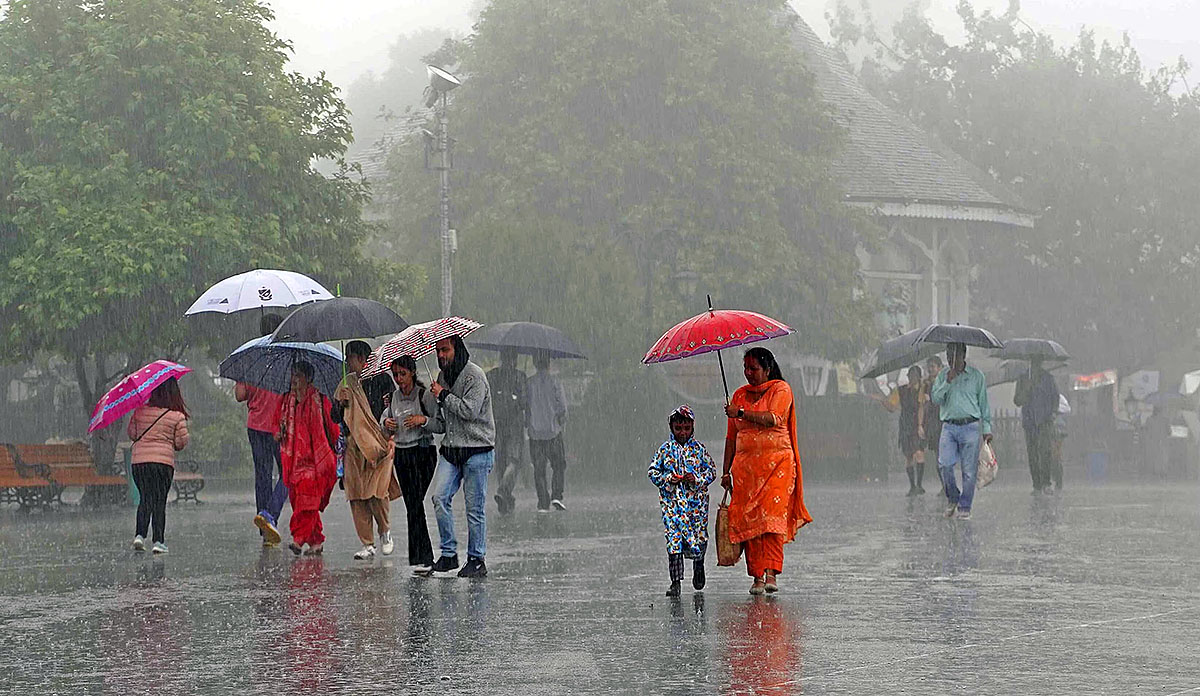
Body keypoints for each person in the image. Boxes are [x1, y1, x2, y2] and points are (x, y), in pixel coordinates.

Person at [720, 347, 812, 595]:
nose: (749, 373)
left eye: (754, 368)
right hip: (746, 471)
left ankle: (771, 573)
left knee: (771, 520)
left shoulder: (781, 389)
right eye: (746, 368)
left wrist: (739, 412)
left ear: (767, 369)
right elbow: (731, 438)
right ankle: (757, 577)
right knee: (750, 521)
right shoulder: (738, 394)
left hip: (777, 467)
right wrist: (725, 471)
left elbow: (773, 419)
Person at [422, 335, 495, 579]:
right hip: (451, 451)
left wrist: (444, 396)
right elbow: (443, 424)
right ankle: (449, 553)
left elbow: (468, 411)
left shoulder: (474, 376)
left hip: (477, 450)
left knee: (474, 509)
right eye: (438, 351)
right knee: (439, 497)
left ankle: (476, 559)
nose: (441, 356)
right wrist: (424, 421)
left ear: (457, 349)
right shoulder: (442, 378)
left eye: (445, 350)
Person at [334, 340, 401, 561]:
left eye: (351, 357)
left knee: (377, 491)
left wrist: (391, 434)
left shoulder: (382, 380)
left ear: (362, 358)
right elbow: (336, 418)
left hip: (379, 445)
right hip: (354, 447)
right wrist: (340, 404)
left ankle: (385, 532)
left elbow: (393, 411)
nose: (347, 362)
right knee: (356, 494)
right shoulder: (346, 384)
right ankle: (367, 543)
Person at [381, 354, 444, 572]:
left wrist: (422, 420)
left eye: (403, 374)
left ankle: (424, 557)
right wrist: (387, 424)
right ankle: (420, 558)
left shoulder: (424, 395)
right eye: (396, 374)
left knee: (416, 503)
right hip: (403, 455)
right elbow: (384, 424)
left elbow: (440, 424)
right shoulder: (392, 399)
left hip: (423, 453)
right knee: (412, 505)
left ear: (413, 373)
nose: (399, 379)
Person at [648, 405, 716, 597]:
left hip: (697, 507)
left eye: (686, 428)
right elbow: (652, 472)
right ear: (671, 427)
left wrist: (696, 479)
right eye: (678, 428)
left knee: (699, 537)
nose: (682, 433)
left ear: (692, 427)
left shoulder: (699, 450)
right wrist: (668, 479)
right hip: (673, 507)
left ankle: (698, 565)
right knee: (674, 541)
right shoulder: (665, 450)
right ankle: (675, 581)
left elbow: (711, 471)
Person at [276, 361, 339, 556]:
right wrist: (278, 433)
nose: (295, 379)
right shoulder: (286, 401)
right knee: (299, 500)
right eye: (293, 375)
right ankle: (316, 541)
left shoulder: (320, 400)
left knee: (307, 502)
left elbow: (333, 428)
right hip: (294, 460)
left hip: (315, 461)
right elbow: (277, 424)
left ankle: (299, 538)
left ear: (308, 378)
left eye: (299, 375)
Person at [237, 313, 288, 546]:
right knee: (288, 473)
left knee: (262, 475)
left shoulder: (251, 357)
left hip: (256, 425)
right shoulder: (286, 356)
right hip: (281, 425)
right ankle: (271, 516)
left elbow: (240, 395)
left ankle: (264, 523)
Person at [930, 342, 992, 520]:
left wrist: (986, 428)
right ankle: (953, 497)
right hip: (949, 427)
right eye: (948, 356)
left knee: (969, 471)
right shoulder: (943, 375)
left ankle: (965, 506)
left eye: (955, 356)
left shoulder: (976, 376)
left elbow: (984, 404)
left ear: (963, 355)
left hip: (970, 427)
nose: (952, 360)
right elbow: (935, 398)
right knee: (945, 465)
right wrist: (947, 382)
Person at [128, 378, 190, 554]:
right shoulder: (176, 416)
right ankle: (158, 541)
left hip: (140, 463)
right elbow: (180, 443)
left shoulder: (139, 412)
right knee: (159, 501)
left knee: (145, 498)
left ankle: (139, 535)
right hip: (162, 464)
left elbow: (132, 433)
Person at [527, 351, 569, 512]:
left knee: (539, 469)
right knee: (558, 465)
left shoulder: (529, 383)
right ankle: (557, 495)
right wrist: (561, 421)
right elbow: (562, 408)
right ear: (548, 364)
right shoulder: (555, 382)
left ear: (535, 364)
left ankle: (543, 501)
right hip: (553, 432)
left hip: (535, 433)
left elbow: (526, 405)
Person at [487, 348, 527, 515]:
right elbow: (524, 402)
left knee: (501, 461)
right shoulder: (520, 376)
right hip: (515, 425)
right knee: (514, 460)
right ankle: (504, 491)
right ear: (515, 360)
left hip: (497, 424)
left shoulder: (492, 376)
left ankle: (506, 499)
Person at [1014, 358, 1062, 494]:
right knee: (1033, 453)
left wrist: (1053, 412)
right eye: (1033, 362)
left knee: (1045, 451)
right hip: (1030, 422)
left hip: (1045, 420)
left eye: (1037, 362)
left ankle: (1046, 482)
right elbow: (1017, 400)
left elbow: (1055, 397)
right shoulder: (1023, 379)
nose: (1035, 365)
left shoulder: (1048, 379)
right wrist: (1026, 388)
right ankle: (1037, 484)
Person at [878, 365, 927, 496]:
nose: (912, 378)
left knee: (919, 453)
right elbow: (892, 407)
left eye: (915, 376)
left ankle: (919, 484)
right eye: (910, 375)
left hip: (917, 423)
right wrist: (883, 400)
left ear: (919, 377)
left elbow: (922, 406)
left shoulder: (922, 389)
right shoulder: (901, 390)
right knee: (908, 456)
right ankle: (912, 486)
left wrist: (920, 425)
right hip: (905, 424)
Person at [922, 356, 944, 467]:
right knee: (938, 454)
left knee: (944, 453)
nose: (930, 369)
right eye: (928, 367)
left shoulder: (944, 383)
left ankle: (947, 481)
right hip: (933, 421)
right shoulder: (926, 385)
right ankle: (944, 483)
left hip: (944, 420)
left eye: (933, 367)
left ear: (939, 368)